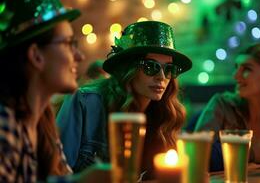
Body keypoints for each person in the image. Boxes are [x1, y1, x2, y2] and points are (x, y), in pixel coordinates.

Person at [56, 21, 192, 180]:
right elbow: (56, 174)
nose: (161, 77)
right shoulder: (85, 102)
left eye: (169, 69)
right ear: (129, 69)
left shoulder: (166, 115)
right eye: (150, 66)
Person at [0, 0, 88, 182]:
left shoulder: (43, 124)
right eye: (68, 44)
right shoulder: (4, 122)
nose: (79, 56)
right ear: (36, 55)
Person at [194, 43, 260, 171]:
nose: (235, 76)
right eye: (236, 67)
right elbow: (198, 153)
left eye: (247, 69)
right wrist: (253, 153)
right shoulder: (223, 105)